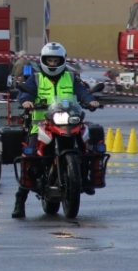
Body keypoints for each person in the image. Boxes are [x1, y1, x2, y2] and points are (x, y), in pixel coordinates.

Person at [12, 42, 99, 218]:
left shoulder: (71, 77)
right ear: (44, 61)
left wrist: (90, 100)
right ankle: (20, 202)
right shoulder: (36, 78)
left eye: (55, 60)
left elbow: (82, 92)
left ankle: (87, 178)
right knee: (29, 155)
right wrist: (26, 101)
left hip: (69, 121)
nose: (52, 64)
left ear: (62, 61)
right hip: (41, 124)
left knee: (89, 145)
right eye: (49, 60)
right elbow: (27, 92)